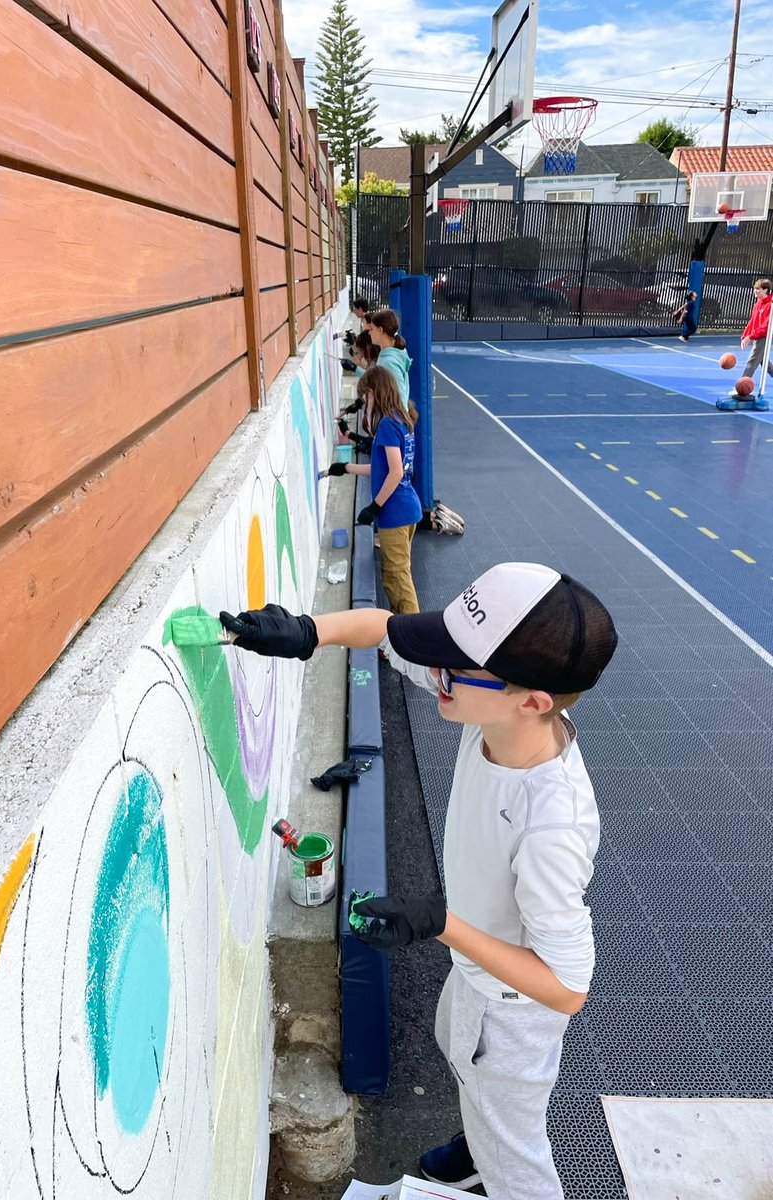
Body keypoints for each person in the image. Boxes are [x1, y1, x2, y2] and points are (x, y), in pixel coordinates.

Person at [219, 562, 618, 1199]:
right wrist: (304, 631)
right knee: (458, 1058)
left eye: (452, 662)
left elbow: (567, 988)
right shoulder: (495, 711)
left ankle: (498, 1163)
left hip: (511, 1017)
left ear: (534, 700)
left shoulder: (551, 829)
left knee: (516, 1150)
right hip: (476, 976)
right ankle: (478, 1149)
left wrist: (441, 923)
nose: (436, 670)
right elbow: (384, 629)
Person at [327, 365, 422, 614]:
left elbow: (396, 472)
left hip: (396, 512)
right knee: (393, 576)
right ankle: (399, 632)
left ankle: (414, 638)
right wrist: (346, 467)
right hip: (405, 508)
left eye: (365, 397)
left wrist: (375, 506)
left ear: (373, 393)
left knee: (398, 578)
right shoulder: (400, 419)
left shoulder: (389, 425)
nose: (364, 403)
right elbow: (381, 467)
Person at [731, 277, 773, 396]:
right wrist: (745, 335)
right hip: (757, 337)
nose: (755, 291)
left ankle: (741, 387)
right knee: (765, 364)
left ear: (766, 290)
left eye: (758, 289)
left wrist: (751, 336)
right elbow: (752, 321)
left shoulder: (770, 306)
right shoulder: (757, 305)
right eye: (755, 289)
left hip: (764, 337)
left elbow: (766, 326)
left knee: (752, 361)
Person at [368, 308, 412, 408]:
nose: (369, 333)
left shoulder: (389, 362)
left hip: (391, 421)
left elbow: (401, 401)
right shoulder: (389, 355)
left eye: (371, 329)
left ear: (380, 330)